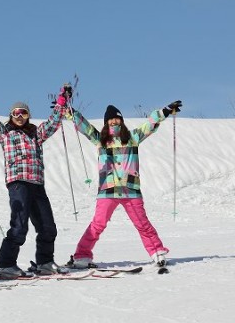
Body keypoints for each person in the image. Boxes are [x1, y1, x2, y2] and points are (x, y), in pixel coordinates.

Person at [0, 82, 70, 278]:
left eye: (23, 113)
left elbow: (54, 122)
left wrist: (61, 102)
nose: (19, 116)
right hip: (18, 183)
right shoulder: (5, 133)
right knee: (20, 225)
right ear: (11, 116)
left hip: (37, 184)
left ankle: (45, 262)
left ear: (28, 115)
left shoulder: (36, 134)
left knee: (48, 227)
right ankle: (5, 264)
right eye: (16, 113)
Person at [65, 100, 182, 269]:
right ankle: (81, 256)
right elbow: (84, 126)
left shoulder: (132, 138)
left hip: (130, 190)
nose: (114, 122)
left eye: (117, 119)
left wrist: (165, 111)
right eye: (110, 120)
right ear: (106, 123)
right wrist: (70, 111)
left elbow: (149, 125)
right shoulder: (100, 140)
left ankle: (157, 252)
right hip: (108, 191)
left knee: (142, 224)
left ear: (121, 121)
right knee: (97, 225)